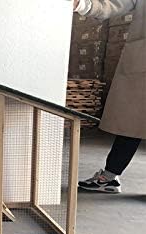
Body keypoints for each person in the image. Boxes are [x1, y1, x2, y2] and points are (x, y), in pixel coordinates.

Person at [73, 0, 145, 193]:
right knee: (132, 123)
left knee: (133, 123)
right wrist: (83, 5)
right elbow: (113, 4)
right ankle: (109, 177)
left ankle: (109, 176)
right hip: (142, 65)